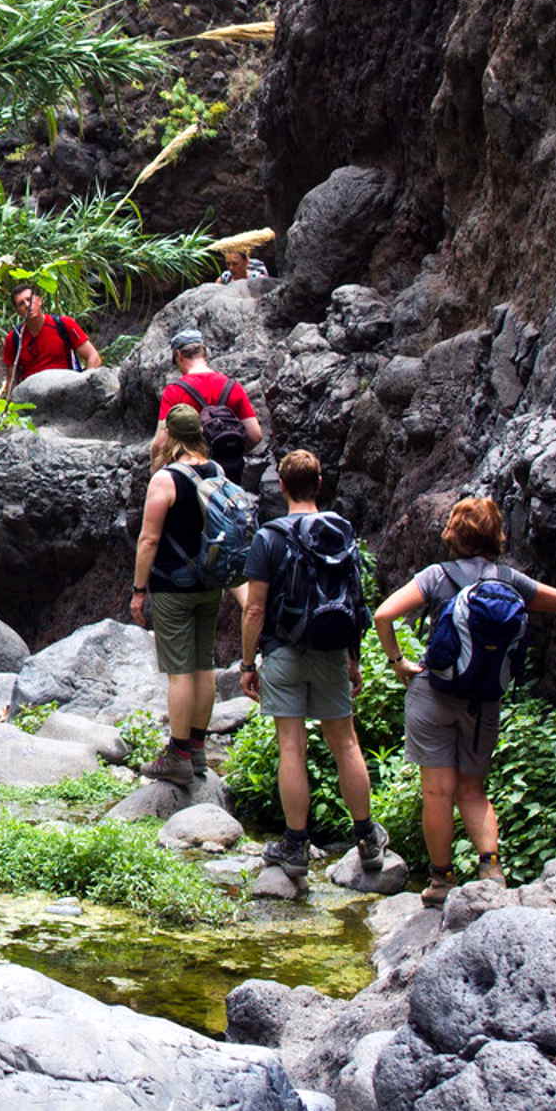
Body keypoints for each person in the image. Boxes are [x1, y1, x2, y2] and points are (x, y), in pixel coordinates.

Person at [371, 496, 556, 906]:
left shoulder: (436, 576)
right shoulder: (508, 579)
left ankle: (441, 881)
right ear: (497, 535)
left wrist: (398, 662)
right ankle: (491, 870)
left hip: (434, 692)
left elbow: (383, 615)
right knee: (473, 791)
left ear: (453, 533)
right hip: (484, 699)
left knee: (437, 792)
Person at [239, 450, 386, 875]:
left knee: (292, 746)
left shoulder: (269, 536)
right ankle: (367, 839)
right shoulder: (341, 530)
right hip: (332, 649)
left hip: (284, 650)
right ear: (318, 483)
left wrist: (249, 664)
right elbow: (355, 598)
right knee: (346, 743)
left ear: (281, 486)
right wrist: (354, 657)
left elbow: (254, 610)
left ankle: (296, 846)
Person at [130, 405, 226, 785]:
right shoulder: (216, 472)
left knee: (179, 672)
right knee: (205, 665)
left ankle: (178, 754)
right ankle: (198, 750)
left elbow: (149, 538)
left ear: (169, 435)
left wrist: (139, 590)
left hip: (173, 585)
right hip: (210, 583)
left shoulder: (166, 478)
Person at [158, 327, 264, 484]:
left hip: (191, 478)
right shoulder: (232, 386)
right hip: (228, 477)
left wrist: (156, 469)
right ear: (204, 352)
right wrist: (229, 452)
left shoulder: (174, 391)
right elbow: (255, 435)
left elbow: (161, 442)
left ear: (179, 356)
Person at [0, 283, 103, 398]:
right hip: (32, 399)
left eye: (29, 299)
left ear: (40, 301)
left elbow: (94, 356)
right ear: (17, 311)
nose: (27, 305)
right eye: (21, 303)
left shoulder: (63, 324)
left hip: (67, 392)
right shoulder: (13, 339)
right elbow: (11, 379)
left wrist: (84, 388)